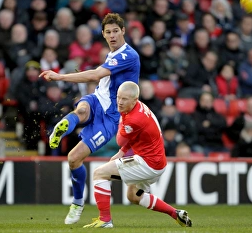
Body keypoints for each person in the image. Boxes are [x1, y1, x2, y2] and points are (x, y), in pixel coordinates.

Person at [39, 13, 140, 225]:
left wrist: (60, 76)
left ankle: (77, 204)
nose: (112, 36)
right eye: (108, 32)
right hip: (96, 99)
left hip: (111, 117)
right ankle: (62, 128)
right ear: (103, 34)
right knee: (82, 110)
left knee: (74, 158)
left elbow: (95, 75)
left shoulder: (128, 55)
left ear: (123, 31)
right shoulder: (112, 54)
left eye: (115, 31)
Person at [82, 81, 192, 228]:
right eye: (119, 97)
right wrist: (121, 153)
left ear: (135, 100)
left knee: (99, 174)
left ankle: (105, 220)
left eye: (124, 99)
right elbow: (133, 137)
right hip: (157, 162)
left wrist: (120, 119)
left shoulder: (133, 118)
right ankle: (175, 213)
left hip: (147, 163)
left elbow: (120, 140)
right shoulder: (139, 108)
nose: (120, 102)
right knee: (133, 196)